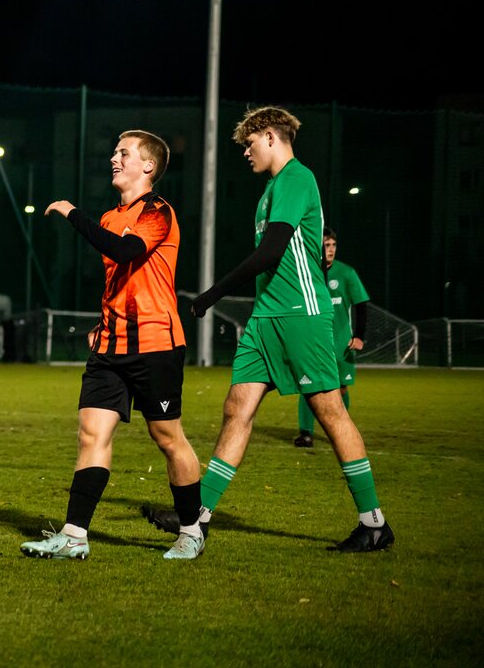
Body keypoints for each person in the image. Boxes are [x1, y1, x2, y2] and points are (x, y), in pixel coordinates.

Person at [142, 106, 394, 553]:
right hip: (266, 318)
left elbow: (272, 251)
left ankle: (373, 523)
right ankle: (198, 518)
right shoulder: (270, 190)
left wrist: (211, 294)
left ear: (272, 137)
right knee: (236, 408)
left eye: (250, 143)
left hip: (301, 315)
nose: (246, 152)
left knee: (330, 412)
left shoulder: (297, 179)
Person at [19, 129, 205, 561]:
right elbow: (119, 281)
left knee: (167, 437)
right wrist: (101, 322)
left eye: (124, 153)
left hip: (156, 343)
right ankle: (74, 536)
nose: (114, 159)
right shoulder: (107, 217)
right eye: (115, 152)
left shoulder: (158, 211)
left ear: (149, 166)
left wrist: (72, 213)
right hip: (110, 346)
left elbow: (124, 252)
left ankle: (192, 531)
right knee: (91, 433)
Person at [294, 227, 370, 448]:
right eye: (326, 245)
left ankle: (339, 431)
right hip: (313, 342)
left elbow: (361, 304)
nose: (331, 249)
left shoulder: (346, 273)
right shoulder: (308, 273)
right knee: (308, 386)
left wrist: (359, 336)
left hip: (341, 342)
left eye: (333, 245)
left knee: (341, 388)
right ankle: (306, 433)